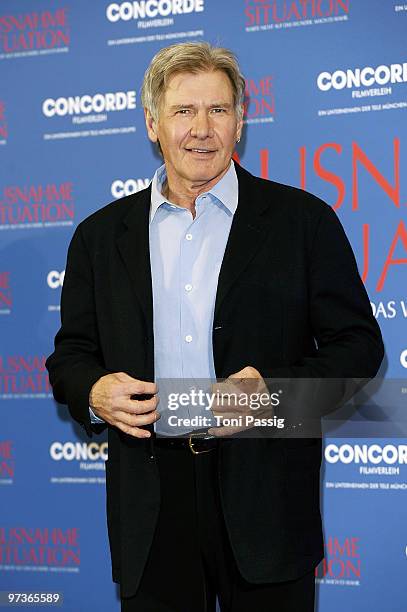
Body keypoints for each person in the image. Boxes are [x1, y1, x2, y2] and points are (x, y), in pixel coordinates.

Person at [46, 42, 384, 611]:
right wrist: (93, 389)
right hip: (150, 504)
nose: (202, 129)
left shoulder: (303, 221)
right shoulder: (99, 237)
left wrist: (273, 395)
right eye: (183, 112)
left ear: (241, 120)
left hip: (266, 498)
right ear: (153, 123)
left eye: (218, 110)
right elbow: (71, 356)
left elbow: (359, 348)